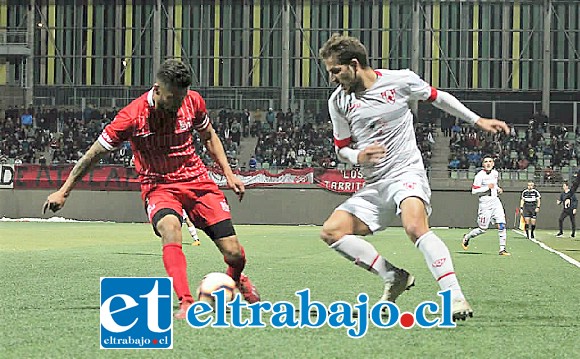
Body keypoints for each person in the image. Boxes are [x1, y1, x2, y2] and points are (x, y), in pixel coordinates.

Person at [42, 59, 260, 319]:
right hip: (159, 186)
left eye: (181, 98)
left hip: (197, 181)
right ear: (157, 89)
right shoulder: (131, 117)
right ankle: (187, 302)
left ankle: (234, 280)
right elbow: (93, 154)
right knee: (171, 228)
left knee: (235, 254)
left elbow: (209, 136)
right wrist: (64, 191)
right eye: (172, 99)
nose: (177, 105)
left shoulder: (193, 102)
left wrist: (229, 173)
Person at [318, 33, 510, 321]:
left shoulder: (400, 81)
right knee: (331, 231)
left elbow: (438, 97)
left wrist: (477, 120)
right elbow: (342, 148)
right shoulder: (339, 101)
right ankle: (394, 276)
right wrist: (358, 156)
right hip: (375, 184)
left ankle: (454, 296)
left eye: (336, 71)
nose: (332, 78)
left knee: (414, 227)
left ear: (354, 64)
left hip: (406, 172)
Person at [462, 157, 511, 256]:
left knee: (501, 224)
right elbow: (474, 191)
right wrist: (486, 188)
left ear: (493, 164)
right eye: (486, 162)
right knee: (482, 229)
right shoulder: (479, 176)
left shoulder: (495, 173)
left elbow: (494, 184)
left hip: (495, 201)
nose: (488, 163)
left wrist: (498, 188)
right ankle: (467, 237)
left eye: (490, 162)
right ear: (483, 164)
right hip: (485, 203)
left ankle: (502, 249)